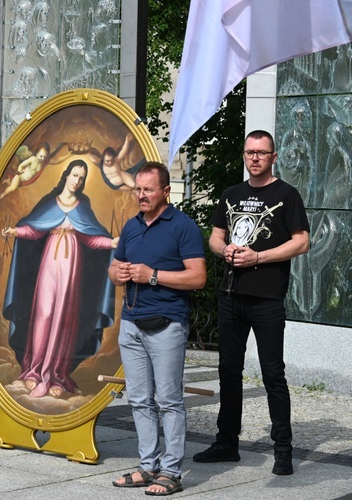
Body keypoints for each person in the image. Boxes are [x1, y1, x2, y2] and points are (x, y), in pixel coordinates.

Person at [194, 130, 310, 476]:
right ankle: (226, 442)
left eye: (261, 152)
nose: (255, 158)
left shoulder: (287, 195)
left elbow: (301, 243)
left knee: (274, 374)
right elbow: (215, 237)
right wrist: (225, 249)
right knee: (228, 372)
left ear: (273, 157)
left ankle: (283, 449)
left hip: (267, 299)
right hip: (230, 296)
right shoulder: (232, 194)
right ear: (244, 156)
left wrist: (258, 257)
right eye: (249, 152)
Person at [108, 161, 206, 496]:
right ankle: (147, 467)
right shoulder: (132, 225)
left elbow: (198, 277)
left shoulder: (183, 226)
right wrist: (117, 274)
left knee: (168, 400)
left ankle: (172, 472)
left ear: (166, 191)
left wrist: (152, 275)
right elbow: (114, 267)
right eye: (138, 189)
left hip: (166, 325)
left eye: (148, 189)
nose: (141, 195)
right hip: (131, 324)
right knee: (138, 399)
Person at [2, 159, 118, 398]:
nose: (77, 180)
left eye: (82, 178)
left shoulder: (82, 207)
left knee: (64, 318)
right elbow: (34, 229)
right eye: (75, 175)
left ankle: (56, 374)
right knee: (43, 314)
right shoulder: (50, 204)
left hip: (71, 267)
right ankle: (34, 371)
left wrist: (111, 242)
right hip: (49, 265)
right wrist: (16, 231)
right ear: (66, 175)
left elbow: (91, 239)